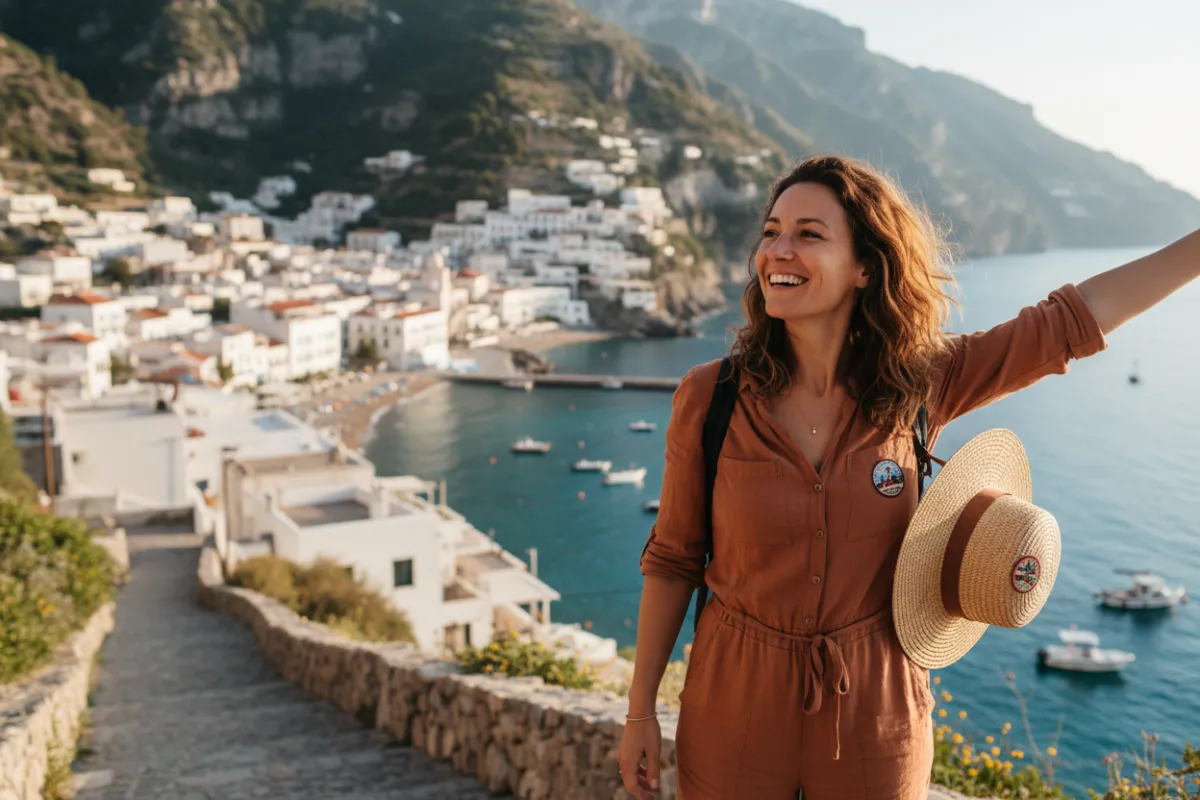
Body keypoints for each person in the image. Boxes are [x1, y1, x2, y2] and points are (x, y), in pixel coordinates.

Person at [617, 155, 1200, 800]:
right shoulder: (710, 397)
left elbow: (1068, 321)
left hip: (879, 708)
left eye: (809, 234)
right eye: (771, 231)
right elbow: (673, 559)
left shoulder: (922, 385)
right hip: (734, 702)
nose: (777, 251)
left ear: (866, 266)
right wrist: (641, 709)